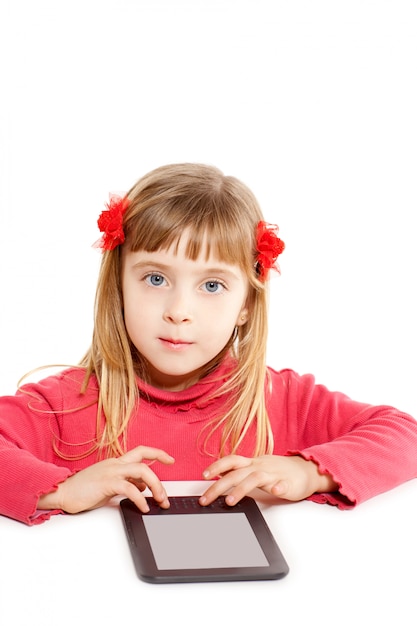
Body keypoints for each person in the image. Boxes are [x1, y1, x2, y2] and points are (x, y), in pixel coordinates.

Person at [1, 163, 417, 526]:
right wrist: (61, 492)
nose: (180, 310)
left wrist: (309, 472)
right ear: (118, 287)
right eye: (156, 278)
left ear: (247, 304)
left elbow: (404, 434)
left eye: (212, 285)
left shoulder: (279, 399)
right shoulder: (63, 404)